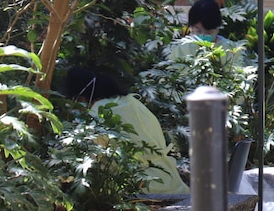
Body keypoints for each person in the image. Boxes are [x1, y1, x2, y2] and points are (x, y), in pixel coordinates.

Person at [62, 67, 190, 195]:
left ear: (82, 99)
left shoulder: (97, 113)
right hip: (172, 182)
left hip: (137, 190)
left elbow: (86, 157)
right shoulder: (132, 102)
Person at [168, 0, 244, 64]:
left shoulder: (231, 49)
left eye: (209, 32)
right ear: (191, 27)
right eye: (198, 31)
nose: (203, 35)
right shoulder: (182, 48)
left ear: (218, 27)